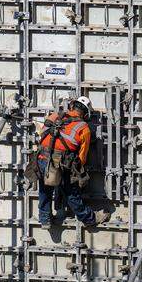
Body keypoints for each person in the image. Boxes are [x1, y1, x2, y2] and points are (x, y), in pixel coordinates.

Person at [33, 96, 110, 228]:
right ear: (86, 113)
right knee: (71, 192)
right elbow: (82, 156)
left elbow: (41, 134)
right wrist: (77, 171)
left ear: (72, 106)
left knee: (44, 190)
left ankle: (45, 219)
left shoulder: (55, 116)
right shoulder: (83, 127)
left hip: (42, 158)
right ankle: (89, 219)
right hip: (61, 164)